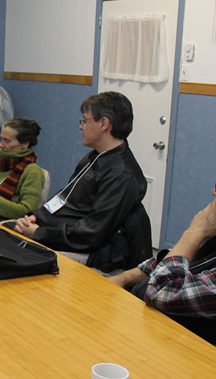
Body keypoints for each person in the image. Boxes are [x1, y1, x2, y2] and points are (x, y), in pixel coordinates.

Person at [109, 149, 216, 359]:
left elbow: (162, 291)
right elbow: (181, 259)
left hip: (192, 356)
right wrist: (123, 278)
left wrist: (194, 232)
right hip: (158, 327)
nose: (214, 193)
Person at [13, 91, 147, 256]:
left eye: (85, 120)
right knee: (5, 234)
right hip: (61, 235)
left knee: (17, 254)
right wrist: (36, 217)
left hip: (90, 253)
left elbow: (91, 234)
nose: (80, 126)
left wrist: (38, 233)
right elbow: (64, 198)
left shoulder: (123, 175)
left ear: (104, 124)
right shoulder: (95, 157)